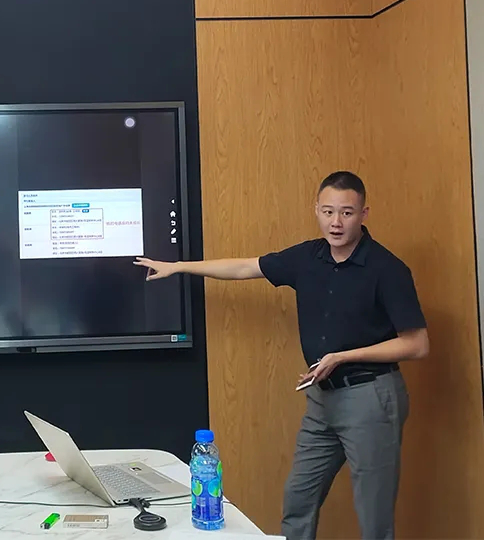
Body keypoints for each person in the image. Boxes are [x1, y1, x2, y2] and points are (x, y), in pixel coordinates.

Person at [134, 171, 428, 540]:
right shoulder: (308, 256)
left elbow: (416, 344)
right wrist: (179, 267)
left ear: (364, 214)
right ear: (316, 210)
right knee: (298, 500)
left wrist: (342, 356)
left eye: (347, 213)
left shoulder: (387, 269)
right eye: (328, 211)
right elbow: (245, 267)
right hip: (323, 399)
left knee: (374, 515)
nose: (336, 222)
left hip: (371, 397)